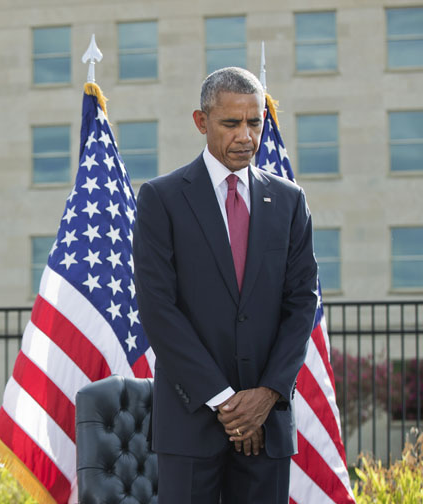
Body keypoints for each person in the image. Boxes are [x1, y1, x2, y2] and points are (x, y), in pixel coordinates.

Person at [133, 66, 318, 503]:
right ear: (201, 122)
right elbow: (159, 310)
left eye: (255, 123)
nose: (245, 136)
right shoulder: (162, 199)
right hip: (190, 420)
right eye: (231, 123)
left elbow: (302, 303)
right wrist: (226, 402)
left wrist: (267, 395)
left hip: (268, 422)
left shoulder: (289, 201)